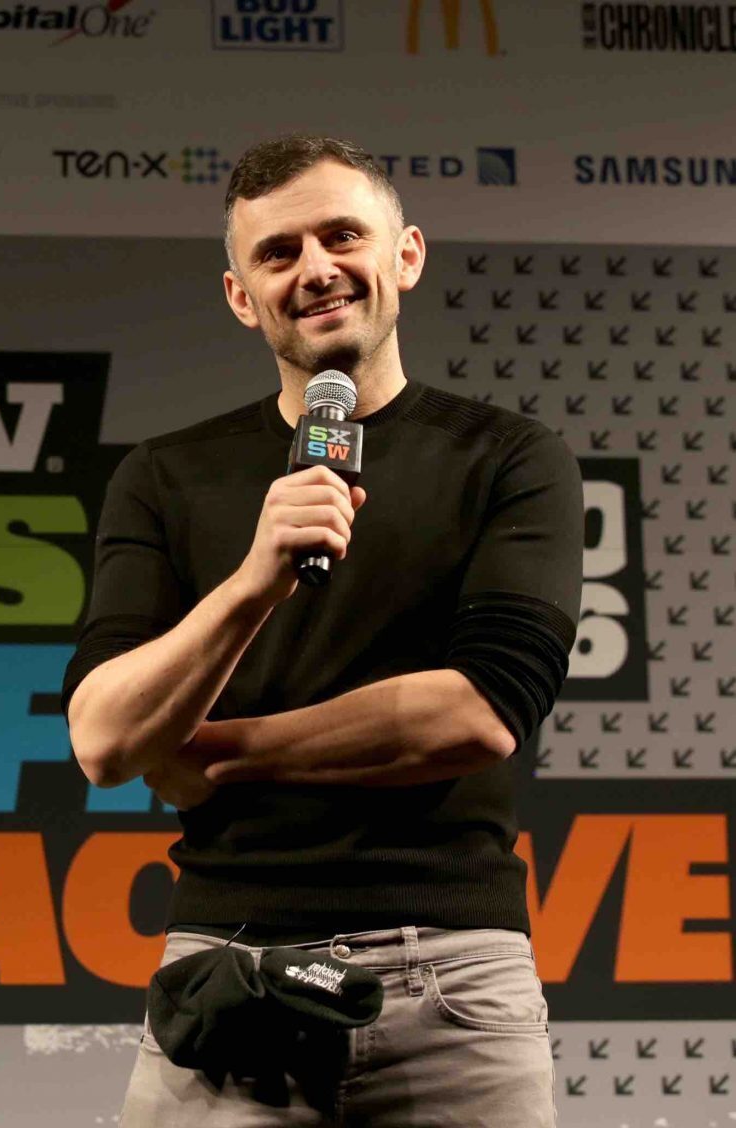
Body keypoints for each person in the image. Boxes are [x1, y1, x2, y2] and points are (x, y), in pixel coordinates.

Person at [62, 135, 583, 1126]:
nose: (315, 269)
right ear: (239, 295)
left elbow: (477, 713)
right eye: (278, 252)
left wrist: (222, 755)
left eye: (343, 234)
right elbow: (104, 739)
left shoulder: (510, 458)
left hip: (451, 980)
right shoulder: (167, 476)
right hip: (229, 966)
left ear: (406, 256)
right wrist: (254, 582)